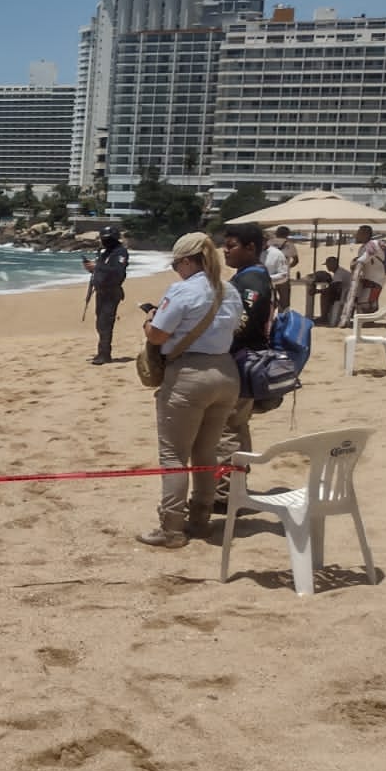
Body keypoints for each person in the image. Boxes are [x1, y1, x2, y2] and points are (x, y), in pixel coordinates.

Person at [138, 233, 243, 549]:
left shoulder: (183, 290)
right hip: (225, 372)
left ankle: (171, 527)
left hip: (190, 374)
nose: (175, 270)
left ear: (187, 261)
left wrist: (148, 321)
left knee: (173, 454)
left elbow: (157, 336)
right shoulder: (230, 289)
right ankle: (200, 519)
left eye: (176, 264)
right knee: (206, 450)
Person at [216, 223, 274, 488]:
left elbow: (243, 323)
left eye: (231, 246)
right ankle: (237, 487)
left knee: (227, 428)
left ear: (251, 248)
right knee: (237, 426)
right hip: (247, 359)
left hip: (242, 362)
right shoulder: (253, 274)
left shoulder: (251, 279)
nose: (225, 252)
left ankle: (225, 491)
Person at [82, 226, 129, 364]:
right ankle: (102, 352)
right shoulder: (106, 253)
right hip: (101, 292)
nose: (104, 241)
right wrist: (91, 268)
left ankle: (105, 354)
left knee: (105, 323)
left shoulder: (120, 253)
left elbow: (117, 271)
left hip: (111, 292)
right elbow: (103, 270)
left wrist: (96, 266)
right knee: (100, 323)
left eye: (106, 239)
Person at [347, 224, 386, 318]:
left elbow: (366, 257)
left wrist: (356, 262)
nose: (356, 235)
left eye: (359, 233)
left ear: (365, 234)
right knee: (365, 300)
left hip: (375, 279)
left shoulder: (373, 244)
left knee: (366, 301)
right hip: (367, 278)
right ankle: (367, 320)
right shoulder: (363, 246)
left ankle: (368, 320)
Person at [263, 226, 300, 311]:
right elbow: (296, 260)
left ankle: (270, 316)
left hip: (268, 274)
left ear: (276, 233)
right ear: (287, 234)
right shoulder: (290, 245)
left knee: (270, 299)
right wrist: (287, 267)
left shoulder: (268, 243)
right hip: (283, 275)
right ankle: (282, 318)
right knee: (284, 300)